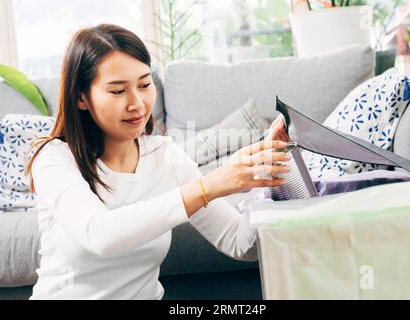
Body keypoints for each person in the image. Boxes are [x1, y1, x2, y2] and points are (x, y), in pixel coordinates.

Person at [25, 24, 291, 300]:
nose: (138, 103)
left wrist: (266, 176)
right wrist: (210, 185)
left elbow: (239, 243)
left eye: (144, 84)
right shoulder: (54, 159)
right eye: (118, 91)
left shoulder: (165, 155)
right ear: (82, 97)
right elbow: (100, 235)